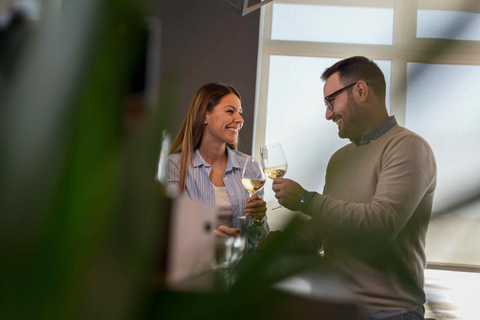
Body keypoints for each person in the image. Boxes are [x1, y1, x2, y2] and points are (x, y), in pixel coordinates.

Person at [268, 56, 436, 319]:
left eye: (330, 101)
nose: (327, 114)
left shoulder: (408, 147)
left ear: (360, 90)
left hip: (390, 312)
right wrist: (286, 242)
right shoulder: (339, 159)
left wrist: (305, 199)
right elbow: (325, 229)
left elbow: (381, 224)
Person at [167, 82, 269, 248]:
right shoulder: (175, 166)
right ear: (205, 115)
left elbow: (257, 241)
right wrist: (208, 239)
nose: (240, 119)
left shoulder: (249, 167)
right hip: (195, 270)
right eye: (230, 111)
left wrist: (259, 219)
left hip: (240, 270)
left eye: (240, 113)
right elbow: (168, 232)